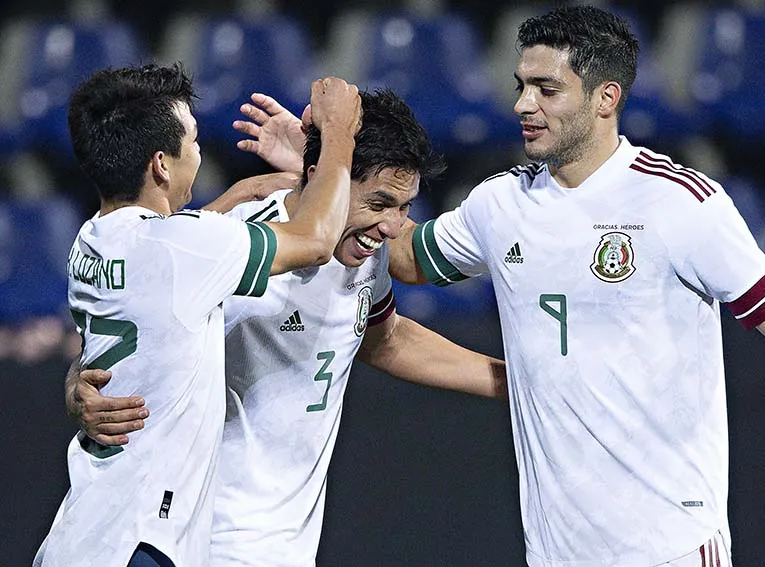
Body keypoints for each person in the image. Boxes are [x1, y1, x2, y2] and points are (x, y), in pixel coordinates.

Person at [228, 6, 765, 566]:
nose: (523, 104)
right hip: (554, 551)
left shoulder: (683, 202)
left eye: (547, 89)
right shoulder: (499, 205)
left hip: (669, 545)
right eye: (520, 85)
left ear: (606, 98)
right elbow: (401, 254)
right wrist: (323, 178)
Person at [67, 89, 507, 567]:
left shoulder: (365, 254)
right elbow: (142, 315)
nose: (394, 226)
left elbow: (386, 339)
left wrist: (511, 380)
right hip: (209, 538)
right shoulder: (234, 238)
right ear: (327, 180)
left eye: (403, 207)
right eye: (381, 203)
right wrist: (79, 383)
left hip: (290, 544)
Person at [34, 63, 363, 567]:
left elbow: (193, 236)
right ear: (162, 165)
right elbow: (317, 241)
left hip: (83, 532)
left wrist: (281, 181)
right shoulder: (182, 251)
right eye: (192, 138)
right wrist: (338, 135)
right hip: (140, 539)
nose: (201, 149)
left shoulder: (94, 239)